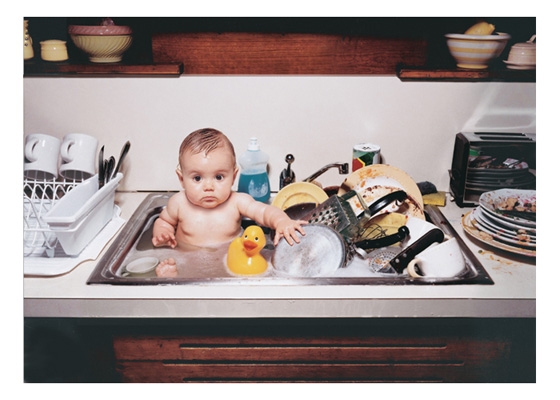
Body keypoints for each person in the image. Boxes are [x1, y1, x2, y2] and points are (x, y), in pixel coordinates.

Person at [152, 128, 307, 277]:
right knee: (176, 270)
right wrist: (163, 234)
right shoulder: (178, 203)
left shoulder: (237, 202)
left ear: (233, 177)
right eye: (197, 178)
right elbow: (164, 221)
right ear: (181, 179)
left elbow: (264, 212)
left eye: (219, 177)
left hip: (231, 263)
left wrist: (281, 221)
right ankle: (172, 276)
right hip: (186, 260)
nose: (208, 187)